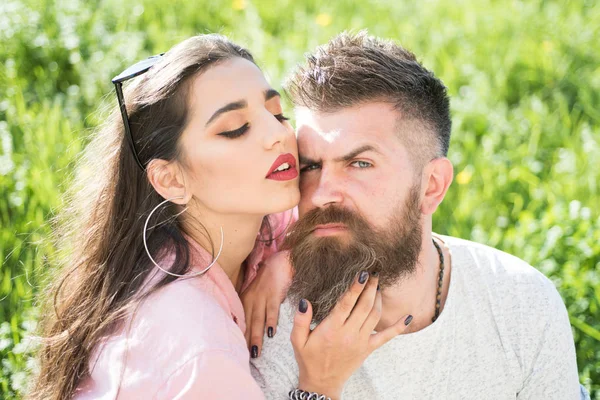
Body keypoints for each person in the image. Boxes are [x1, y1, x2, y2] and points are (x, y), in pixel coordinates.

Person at [28, 34, 411, 400]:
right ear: (171, 179)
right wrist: (320, 383)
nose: (276, 136)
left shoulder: (246, 222)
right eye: (235, 129)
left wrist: (287, 260)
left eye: (276, 113)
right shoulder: (197, 350)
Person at [251, 31, 586, 400]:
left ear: (432, 186)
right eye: (311, 165)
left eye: (360, 163)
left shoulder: (521, 304)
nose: (322, 192)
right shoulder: (271, 325)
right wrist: (316, 390)